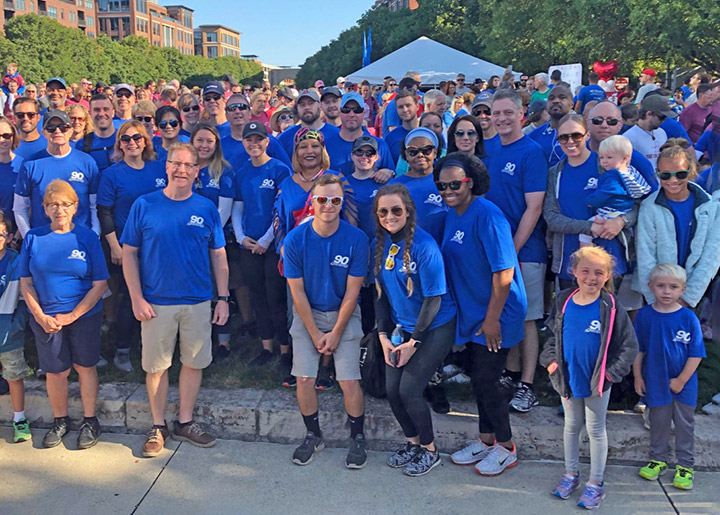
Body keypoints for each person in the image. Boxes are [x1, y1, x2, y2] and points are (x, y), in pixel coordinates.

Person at [121, 143, 229, 457]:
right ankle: (158, 426)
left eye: (188, 165)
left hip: (197, 300)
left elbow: (218, 255)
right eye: (176, 164)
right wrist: (136, 298)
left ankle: (184, 422)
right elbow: (129, 253)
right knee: (156, 367)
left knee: (193, 364)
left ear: (197, 171)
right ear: (166, 167)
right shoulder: (145, 205)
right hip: (156, 302)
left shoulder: (206, 207)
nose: (181, 170)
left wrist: (222, 298)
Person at [436, 152, 527, 476]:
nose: (448, 189)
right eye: (442, 184)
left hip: (497, 313)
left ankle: (507, 447)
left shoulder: (488, 216)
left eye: (455, 183)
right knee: (478, 379)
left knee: (488, 382)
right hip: (474, 313)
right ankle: (486, 441)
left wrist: (491, 320)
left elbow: (503, 273)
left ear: (470, 182)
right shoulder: (453, 214)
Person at [540, 246, 638, 509]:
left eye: (599, 272)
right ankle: (570, 474)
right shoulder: (563, 300)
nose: (591, 278)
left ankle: (596, 483)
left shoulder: (611, 306)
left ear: (608, 276)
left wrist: (609, 375)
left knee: (595, 430)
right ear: (574, 272)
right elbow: (552, 337)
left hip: (597, 384)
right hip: (568, 380)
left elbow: (629, 347)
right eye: (585, 271)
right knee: (571, 427)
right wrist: (551, 364)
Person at [283, 173, 369, 469]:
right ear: (313, 201)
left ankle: (357, 436)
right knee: (304, 378)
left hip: (344, 314)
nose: (328, 205)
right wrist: (315, 332)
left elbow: (353, 292)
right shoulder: (295, 240)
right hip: (309, 313)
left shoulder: (357, 239)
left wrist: (334, 333)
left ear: (342, 203)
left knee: (348, 381)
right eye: (322, 199)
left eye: (335, 200)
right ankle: (313, 434)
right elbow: (297, 293)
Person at [372, 183, 456, 476]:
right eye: (383, 211)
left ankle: (429, 450)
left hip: (434, 326)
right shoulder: (378, 245)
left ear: (408, 212)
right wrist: (382, 337)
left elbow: (433, 299)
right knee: (391, 391)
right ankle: (412, 442)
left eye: (396, 210)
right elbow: (379, 296)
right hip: (399, 328)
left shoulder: (425, 246)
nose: (389, 216)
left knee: (409, 390)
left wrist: (413, 343)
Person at [19, 179, 109, 449]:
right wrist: (39, 315)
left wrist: (73, 315)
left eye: (66, 204)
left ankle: (90, 421)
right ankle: (60, 420)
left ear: (75, 207)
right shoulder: (33, 237)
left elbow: (100, 284)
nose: (60, 210)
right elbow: (26, 282)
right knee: (55, 371)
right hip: (46, 318)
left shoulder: (87, 237)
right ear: (45, 208)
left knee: (85, 367)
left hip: (84, 316)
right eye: (54, 205)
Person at [486, 89, 547, 413]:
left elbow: (533, 208)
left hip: (525, 250)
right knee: (508, 313)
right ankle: (510, 373)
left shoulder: (531, 152)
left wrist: (511, 250)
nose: (502, 119)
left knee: (527, 318)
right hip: (497, 250)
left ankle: (527, 383)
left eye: (508, 112)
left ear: (521, 113)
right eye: (497, 113)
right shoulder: (492, 149)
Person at [97, 121, 167, 371]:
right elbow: (104, 212)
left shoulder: (159, 169)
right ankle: (122, 349)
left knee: (157, 296)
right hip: (128, 247)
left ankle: (149, 345)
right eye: (125, 139)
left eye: (137, 137)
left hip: (158, 246)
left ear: (146, 141)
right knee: (130, 297)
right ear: (119, 145)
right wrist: (115, 246)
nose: (132, 143)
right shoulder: (111, 174)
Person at [634, 263, 706, 491]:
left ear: (682, 289)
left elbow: (696, 354)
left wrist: (682, 380)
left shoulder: (688, 318)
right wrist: (638, 376)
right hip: (655, 380)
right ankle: (658, 459)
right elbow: (638, 349)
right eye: (661, 286)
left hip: (683, 384)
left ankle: (685, 466)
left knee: (685, 424)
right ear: (650, 287)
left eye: (673, 287)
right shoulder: (645, 316)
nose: (667, 291)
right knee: (658, 422)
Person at [232, 121, 291, 368]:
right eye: (249, 140)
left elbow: (282, 208)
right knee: (257, 296)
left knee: (275, 297)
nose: (254, 144)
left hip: (273, 245)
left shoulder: (279, 169)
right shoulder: (242, 172)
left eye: (259, 139)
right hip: (249, 244)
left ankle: (286, 350)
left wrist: (267, 240)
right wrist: (240, 236)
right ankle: (266, 347)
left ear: (268, 142)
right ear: (244, 143)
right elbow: (238, 206)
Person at [634, 141, 720, 309]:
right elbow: (646, 256)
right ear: (658, 173)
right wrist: (656, 299)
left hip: (693, 294)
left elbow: (712, 255)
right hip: (657, 297)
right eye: (665, 175)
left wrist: (689, 297)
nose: (673, 180)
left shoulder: (710, 206)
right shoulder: (649, 207)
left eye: (680, 174)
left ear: (691, 171)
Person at [14, 110, 100, 237]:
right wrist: (29, 237)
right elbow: (20, 208)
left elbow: (95, 205)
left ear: (71, 130)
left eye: (63, 127)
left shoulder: (87, 162)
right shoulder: (30, 164)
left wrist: (95, 234)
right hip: (42, 239)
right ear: (44, 133)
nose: (57, 131)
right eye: (51, 128)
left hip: (80, 239)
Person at [581, 135, 651, 247]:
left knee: (585, 233)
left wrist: (590, 201)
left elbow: (603, 194)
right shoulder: (632, 172)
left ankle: (586, 251)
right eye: (601, 158)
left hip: (611, 211)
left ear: (624, 158)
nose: (604, 162)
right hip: (626, 209)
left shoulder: (612, 176)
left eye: (609, 158)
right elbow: (644, 189)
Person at [0, 211, 31, 443]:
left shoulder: (16, 262)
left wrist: (17, 324)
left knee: (14, 376)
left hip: (8, 332)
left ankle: (20, 419)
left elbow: (25, 298)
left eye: (1, 233)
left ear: (9, 236)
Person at [390, 127, 447, 244]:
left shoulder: (447, 181)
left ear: (435, 152)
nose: (420, 155)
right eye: (413, 151)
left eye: (426, 150)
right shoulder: (393, 186)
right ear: (406, 155)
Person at [324, 91, 395, 173]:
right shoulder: (326, 145)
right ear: (340, 112)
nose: (351, 114)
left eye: (357, 110)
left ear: (364, 113)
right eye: (346, 110)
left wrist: (389, 173)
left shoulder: (379, 145)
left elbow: (393, 177)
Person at [221, 93, 292, 170]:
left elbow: (288, 172)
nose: (237, 111)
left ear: (249, 113)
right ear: (226, 115)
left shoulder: (268, 141)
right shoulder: (220, 146)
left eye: (242, 107)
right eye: (232, 108)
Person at [278, 89, 340, 157]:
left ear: (320, 105)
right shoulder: (285, 137)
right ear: (297, 108)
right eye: (302, 104)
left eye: (311, 103)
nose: (307, 107)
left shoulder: (337, 135)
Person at [625, 95, 677, 169]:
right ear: (648, 114)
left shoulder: (661, 132)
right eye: (662, 117)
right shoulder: (628, 138)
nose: (664, 121)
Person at [529, 85, 574, 167]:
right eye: (551, 98)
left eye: (562, 97)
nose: (556, 101)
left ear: (571, 104)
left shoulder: (581, 135)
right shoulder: (534, 135)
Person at [77, 94, 117, 172]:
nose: (101, 114)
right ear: (90, 113)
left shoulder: (125, 139)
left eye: (106, 109)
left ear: (113, 113)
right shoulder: (82, 144)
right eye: (97, 110)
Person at [384, 90, 420, 166]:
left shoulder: (427, 133)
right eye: (401, 107)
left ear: (417, 106)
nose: (405, 110)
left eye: (408, 105)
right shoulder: (391, 138)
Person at [0, 115, 23, 228]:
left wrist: (17, 237)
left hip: (17, 234)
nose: (1, 140)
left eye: (6, 136)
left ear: (14, 136)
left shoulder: (24, 166)